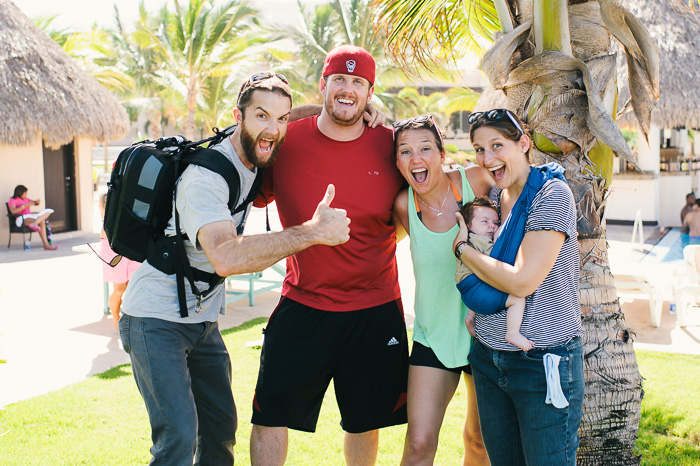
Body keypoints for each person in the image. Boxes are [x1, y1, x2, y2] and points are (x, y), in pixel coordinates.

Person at [118, 72, 351, 466]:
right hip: (155, 320)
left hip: (201, 319)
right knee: (177, 438)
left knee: (220, 433)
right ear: (238, 116)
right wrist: (311, 233)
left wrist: (345, 110)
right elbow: (225, 256)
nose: (274, 129)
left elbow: (298, 117)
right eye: (262, 116)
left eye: (281, 119)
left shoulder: (258, 148)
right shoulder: (206, 177)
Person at [250, 45, 408, 466]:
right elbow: (249, 172)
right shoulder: (287, 141)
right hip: (303, 302)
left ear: (369, 93)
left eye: (358, 83)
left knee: (363, 421)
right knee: (268, 415)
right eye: (339, 79)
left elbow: (422, 204)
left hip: (374, 308)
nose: (347, 89)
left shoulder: (392, 145)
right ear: (323, 84)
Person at [453, 108, 584, 465]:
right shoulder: (494, 201)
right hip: (488, 357)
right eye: (479, 149)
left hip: (541, 361)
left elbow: (523, 280)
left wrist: (462, 249)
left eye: (497, 145)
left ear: (523, 143)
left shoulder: (551, 196)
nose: (487, 158)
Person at [392, 115, 491, 466]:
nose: (415, 159)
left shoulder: (476, 181)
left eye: (424, 148)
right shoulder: (405, 206)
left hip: (486, 334)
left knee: (479, 441)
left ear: (441, 153)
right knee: (418, 444)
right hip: (433, 336)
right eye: (405, 151)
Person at [455, 197, 530, 352]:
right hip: (475, 289)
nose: (492, 226)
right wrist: (498, 240)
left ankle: (470, 316)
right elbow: (495, 260)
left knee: (484, 278)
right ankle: (512, 332)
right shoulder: (479, 240)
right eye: (485, 222)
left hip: (469, 291)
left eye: (496, 223)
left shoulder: (469, 239)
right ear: (468, 225)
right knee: (517, 298)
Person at [98, 194, 140, 329]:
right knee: (119, 289)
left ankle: (124, 318)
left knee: (132, 285)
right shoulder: (107, 196)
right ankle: (117, 322)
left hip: (132, 243)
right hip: (112, 244)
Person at [7, 185, 57, 250]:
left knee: (48, 212)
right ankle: (46, 245)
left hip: (31, 216)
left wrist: (37, 202)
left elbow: (34, 203)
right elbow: (13, 211)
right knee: (41, 221)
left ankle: (35, 223)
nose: (26, 195)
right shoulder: (12, 200)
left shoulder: (26, 199)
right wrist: (24, 206)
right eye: (25, 193)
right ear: (20, 192)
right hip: (21, 218)